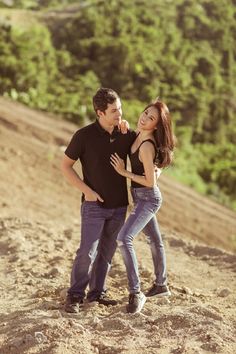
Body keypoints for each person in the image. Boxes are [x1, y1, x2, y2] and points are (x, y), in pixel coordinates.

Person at [61, 87, 137, 313]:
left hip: (119, 206)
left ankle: (97, 293)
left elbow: (145, 149)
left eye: (120, 109)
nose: (119, 114)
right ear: (99, 112)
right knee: (87, 252)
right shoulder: (83, 136)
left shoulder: (125, 134)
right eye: (114, 111)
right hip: (93, 205)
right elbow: (65, 166)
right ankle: (75, 296)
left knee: (106, 253)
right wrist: (87, 192)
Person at [110, 99, 175, 313]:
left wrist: (124, 173)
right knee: (155, 240)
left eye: (151, 118)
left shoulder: (147, 146)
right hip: (140, 196)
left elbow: (150, 181)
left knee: (124, 238)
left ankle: (136, 292)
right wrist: (125, 126)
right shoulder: (139, 136)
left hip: (148, 197)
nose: (145, 118)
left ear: (156, 125)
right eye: (145, 113)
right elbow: (155, 167)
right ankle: (161, 285)